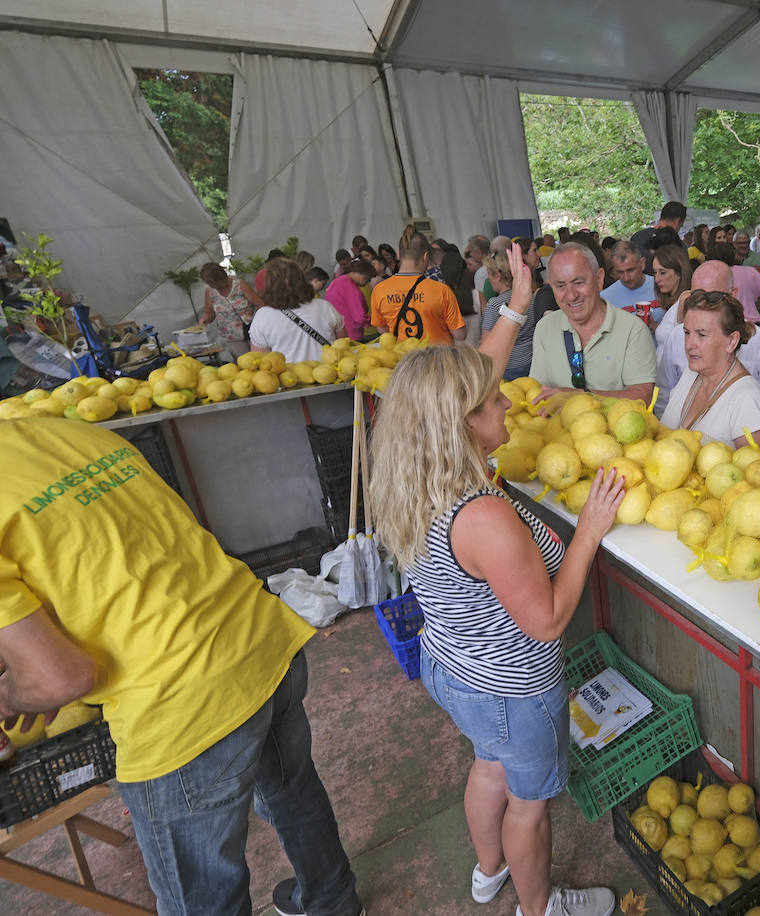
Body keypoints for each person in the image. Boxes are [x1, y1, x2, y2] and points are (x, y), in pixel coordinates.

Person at [0, 421, 363, 916]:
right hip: (255, 633)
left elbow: (64, 679)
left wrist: (14, 694)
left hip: (178, 702)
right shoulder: (55, 430)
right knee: (292, 789)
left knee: (201, 895)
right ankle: (336, 904)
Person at [370, 243, 622, 916]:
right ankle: (538, 908)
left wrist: (517, 296)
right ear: (461, 425)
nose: (505, 402)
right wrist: (589, 533)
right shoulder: (480, 515)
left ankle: (488, 874)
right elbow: (546, 620)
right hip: (511, 687)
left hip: (454, 665)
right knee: (529, 805)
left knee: (488, 767)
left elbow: (466, 379)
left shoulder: (418, 476)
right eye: (492, 401)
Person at [654, 260, 760, 421]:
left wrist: (748, 420)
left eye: (712, 297)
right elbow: (663, 391)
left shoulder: (759, 341)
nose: (702, 303)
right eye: (697, 295)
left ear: (733, 294)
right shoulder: (677, 336)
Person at [528, 242, 657, 404]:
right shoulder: (544, 328)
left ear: (599, 279)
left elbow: (642, 396)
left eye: (578, 283)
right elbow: (537, 392)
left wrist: (577, 396)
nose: (571, 295)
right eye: (560, 286)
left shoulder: (633, 330)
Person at [660, 290, 760, 454]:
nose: (689, 344)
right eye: (687, 333)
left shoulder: (748, 400)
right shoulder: (690, 374)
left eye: (702, 334)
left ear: (732, 341)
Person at [370, 226, 466, 345]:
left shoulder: (379, 290)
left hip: (404, 360)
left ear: (399, 254)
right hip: (437, 359)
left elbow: (383, 331)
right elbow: (460, 334)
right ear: (426, 256)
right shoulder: (442, 290)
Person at [250, 259, 345, 362]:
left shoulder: (263, 316)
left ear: (269, 284)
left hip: (287, 376)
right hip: (328, 374)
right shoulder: (325, 307)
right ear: (302, 280)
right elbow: (343, 346)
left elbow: (261, 362)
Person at [482, 252, 537, 380]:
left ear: (497, 276)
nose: (488, 279)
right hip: (532, 359)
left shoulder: (494, 305)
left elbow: (486, 343)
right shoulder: (531, 297)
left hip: (508, 365)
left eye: (489, 275)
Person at [199, 262, 264, 358]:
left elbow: (261, 305)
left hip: (252, 331)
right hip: (231, 336)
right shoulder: (210, 291)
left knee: (260, 359)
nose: (213, 285)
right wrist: (205, 319)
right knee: (244, 363)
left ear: (221, 276)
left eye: (214, 282)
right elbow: (209, 314)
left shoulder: (240, 285)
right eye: (209, 283)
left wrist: (262, 323)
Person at [600, 241, 661, 325]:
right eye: (620, 272)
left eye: (630, 270)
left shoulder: (661, 286)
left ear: (642, 264)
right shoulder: (605, 298)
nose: (626, 277)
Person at [324, 257, 375, 341]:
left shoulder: (337, 281)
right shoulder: (350, 287)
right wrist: (373, 322)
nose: (367, 283)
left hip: (336, 332)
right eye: (368, 279)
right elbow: (359, 316)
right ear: (363, 274)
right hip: (351, 334)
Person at [650, 244, 693, 323]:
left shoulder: (685, 303)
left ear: (679, 273)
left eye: (663, 273)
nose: (656, 279)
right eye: (655, 272)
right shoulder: (672, 302)